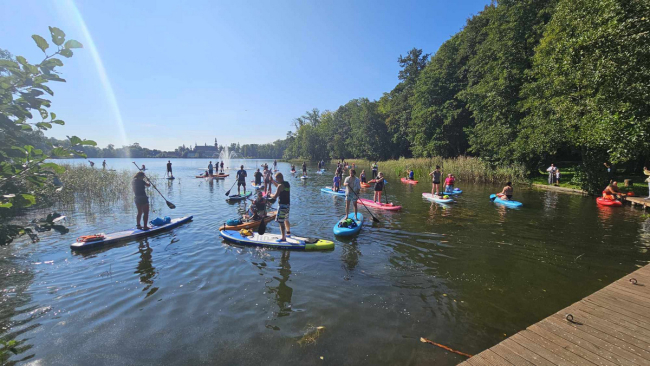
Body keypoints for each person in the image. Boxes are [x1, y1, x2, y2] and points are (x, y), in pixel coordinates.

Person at [270, 173, 291, 241]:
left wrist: (270, 194)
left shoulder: (280, 186)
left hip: (282, 205)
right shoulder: (287, 183)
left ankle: (283, 237)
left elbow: (275, 197)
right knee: (286, 219)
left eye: (276, 179)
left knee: (281, 222)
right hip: (287, 205)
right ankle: (288, 233)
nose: (276, 180)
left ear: (279, 178)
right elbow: (279, 186)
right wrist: (273, 181)